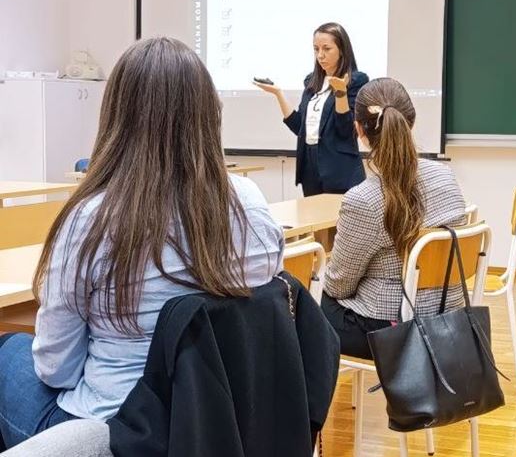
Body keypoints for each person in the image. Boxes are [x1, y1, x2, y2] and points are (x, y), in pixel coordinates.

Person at [0, 37, 284, 451]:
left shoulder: (91, 219)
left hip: (118, 433)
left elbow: (56, 369)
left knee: (10, 350)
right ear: (209, 114)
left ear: (116, 115)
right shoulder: (250, 204)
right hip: (224, 422)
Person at [321, 77, 467, 359]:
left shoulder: (363, 199)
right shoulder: (446, 176)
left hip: (392, 327)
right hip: (449, 314)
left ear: (358, 130)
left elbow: (339, 284)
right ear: (410, 122)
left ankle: (310, 403)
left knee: (309, 308)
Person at [254, 22, 367, 196]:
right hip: (310, 168)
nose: (320, 55)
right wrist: (278, 94)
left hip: (340, 169)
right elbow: (299, 127)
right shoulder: (311, 81)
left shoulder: (356, 80)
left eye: (326, 49)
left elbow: (346, 130)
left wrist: (340, 93)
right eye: (316, 49)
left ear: (342, 50)